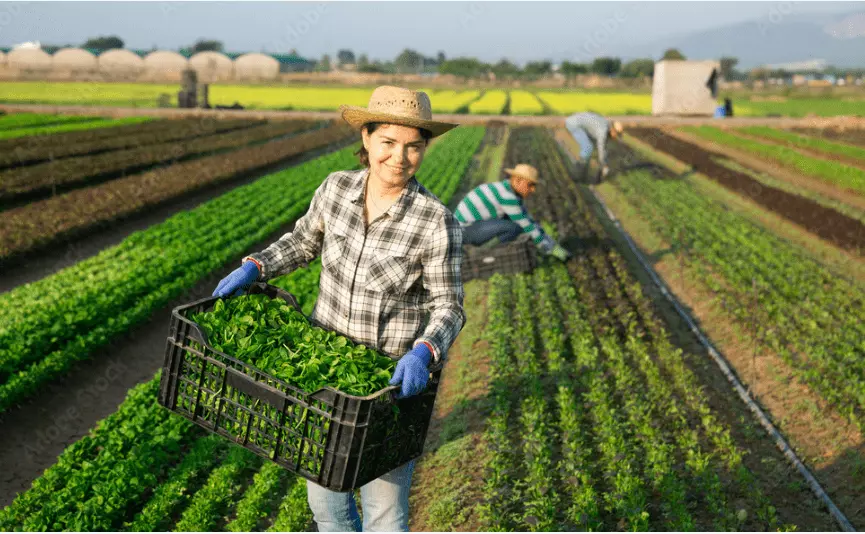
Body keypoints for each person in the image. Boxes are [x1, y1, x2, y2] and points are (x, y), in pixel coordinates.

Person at [211, 86, 466, 532]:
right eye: (388, 142)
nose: (400, 158)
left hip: (385, 389)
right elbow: (303, 241)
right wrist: (257, 266)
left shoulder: (435, 220)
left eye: (413, 147)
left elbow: (449, 305)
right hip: (324, 383)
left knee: (385, 515)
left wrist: (425, 350)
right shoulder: (335, 188)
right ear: (367, 139)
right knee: (327, 506)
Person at [454, 163, 572, 261]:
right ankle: (482, 253)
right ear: (517, 180)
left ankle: (484, 250)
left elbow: (528, 219)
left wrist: (551, 243)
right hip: (464, 230)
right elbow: (526, 226)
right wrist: (549, 248)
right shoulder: (507, 197)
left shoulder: (507, 191)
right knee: (514, 228)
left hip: (468, 227)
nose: (533, 189)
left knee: (513, 223)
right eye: (530, 185)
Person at [564, 111, 623, 181]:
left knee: (590, 148)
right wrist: (603, 165)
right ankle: (575, 175)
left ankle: (583, 173)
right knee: (588, 148)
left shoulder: (606, 125)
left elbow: (603, 148)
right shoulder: (603, 131)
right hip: (574, 124)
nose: (615, 137)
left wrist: (603, 160)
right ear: (613, 130)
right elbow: (601, 148)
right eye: (617, 134)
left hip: (578, 122)